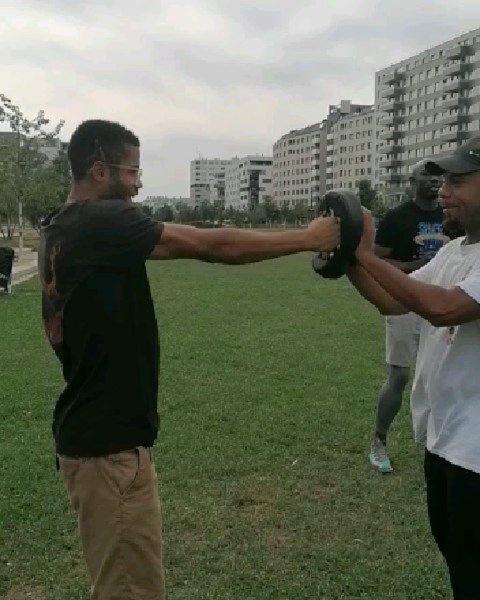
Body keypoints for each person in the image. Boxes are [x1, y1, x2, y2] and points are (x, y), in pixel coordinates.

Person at [38, 119, 339, 600]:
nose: (138, 184)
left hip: (92, 440)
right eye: (132, 171)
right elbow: (210, 244)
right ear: (99, 170)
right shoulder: (102, 222)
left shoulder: (63, 225)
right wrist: (307, 238)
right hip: (109, 451)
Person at [348, 135, 480, 599]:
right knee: (458, 562)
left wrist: (362, 253)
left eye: (459, 181)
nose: (444, 191)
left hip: (477, 452)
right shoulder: (454, 252)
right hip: (445, 439)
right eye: (443, 180)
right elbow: (392, 299)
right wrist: (348, 259)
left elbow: (445, 308)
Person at [369, 161, 446, 473]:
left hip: (443, 302)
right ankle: (378, 442)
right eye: (427, 176)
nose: (434, 181)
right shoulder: (396, 217)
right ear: (412, 181)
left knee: (438, 375)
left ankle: (437, 447)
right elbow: (377, 262)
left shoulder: (450, 216)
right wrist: (414, 269)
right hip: (403, 302)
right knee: (400, 376)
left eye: (438, 176)